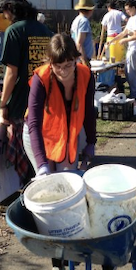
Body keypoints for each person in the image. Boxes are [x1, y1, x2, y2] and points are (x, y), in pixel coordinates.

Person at [0, 0, 53, 183]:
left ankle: (28, 190)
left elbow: (11, 73)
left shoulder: (14, 31)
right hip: (45, 98)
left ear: (10, 8)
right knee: (40, 149)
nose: (3, 15)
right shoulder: (44, 30)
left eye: (3, 11)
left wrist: (3, 103)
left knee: (24, 151)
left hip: (22, 101)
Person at [24, 34, 96, 176]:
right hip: (39, 134)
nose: (63, 72)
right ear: (50, 62)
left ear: (76, 59)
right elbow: (34, 123)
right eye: (58, 66)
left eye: (68, 65)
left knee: (68, 181)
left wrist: (91, 141)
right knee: (48, 182)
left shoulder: (86, 75)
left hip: (67, 134)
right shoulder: (40, 79)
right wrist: (42, 164)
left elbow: (89, 112)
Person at [107, 0, 136, 100]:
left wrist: (124, 40)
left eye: (128, 9)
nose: (127, 11)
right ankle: (133, 92)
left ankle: (135, 93)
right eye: (126, 10)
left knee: (131, 72)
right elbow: (124, 32)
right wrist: (113, 40)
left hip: (134, 48)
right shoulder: (131, 19)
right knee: (127, 71)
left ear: (134, 8)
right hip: (130, 48)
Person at [71, 0, 96, 66]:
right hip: (83, 59)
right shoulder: (84, 21)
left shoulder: (76, 20)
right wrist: (85, 61)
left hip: (77, 57)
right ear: (90, 10)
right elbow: (79, 43)